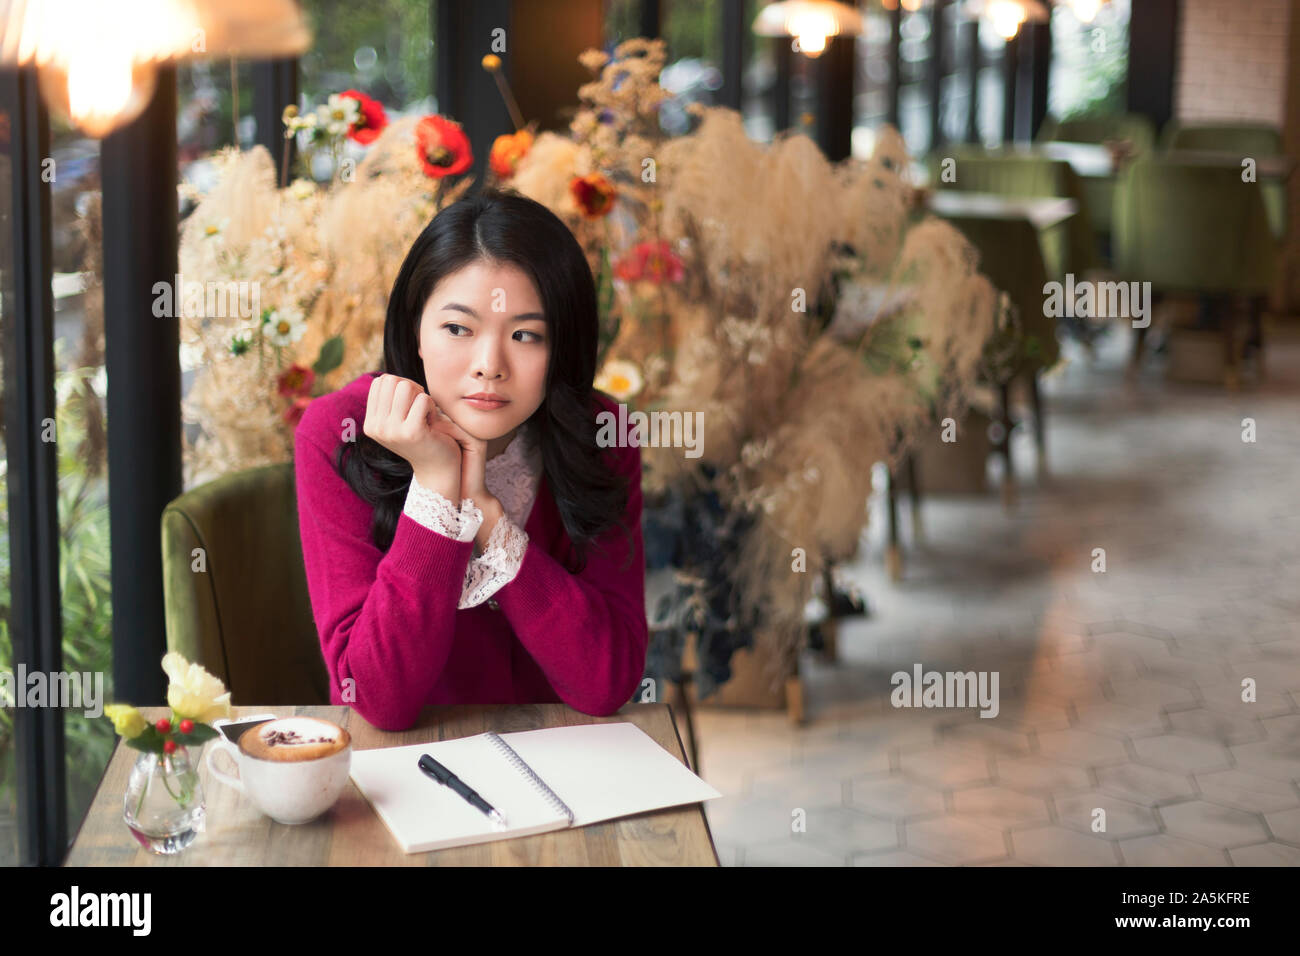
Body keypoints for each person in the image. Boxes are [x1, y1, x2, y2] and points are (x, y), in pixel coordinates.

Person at [293, 187, 646, 731]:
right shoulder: (340, 434)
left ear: (562, 349)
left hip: (564, 756)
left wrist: (487, 517)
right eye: (458, 328)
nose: (489, 365)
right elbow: (378, 699)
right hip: (409, 764)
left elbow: (608, 682)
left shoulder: (604, 434)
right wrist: (438, 486)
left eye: (526, 335)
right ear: (415, 329)